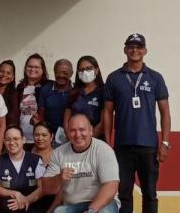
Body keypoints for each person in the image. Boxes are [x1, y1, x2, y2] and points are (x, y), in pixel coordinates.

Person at [102, 33, 171, 213]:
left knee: (150, 193)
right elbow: (107, 112)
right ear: (125, 50)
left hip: (148, 146)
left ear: (145, 51)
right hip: (122, 147)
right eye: (131, 47)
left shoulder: (155, 78)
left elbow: (165, 112)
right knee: (124, 193)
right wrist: (108, 143)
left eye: (139, 47)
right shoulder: (113, 78)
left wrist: (164, 142)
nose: (135, 50)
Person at [42, 114, 119, 213]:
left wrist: (91, 210)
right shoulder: (59, 153)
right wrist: (58, 178)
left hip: (103, 203)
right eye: (73, 130)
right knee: (59, 211)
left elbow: (111, 185)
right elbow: (46, 188)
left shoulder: (103, 150)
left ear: (91, 130)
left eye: (82, 129)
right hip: (72, 205)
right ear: (68, 133)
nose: (78, 134)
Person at [0, 126, 46, 213]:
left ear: (23, 140)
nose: (11, 142)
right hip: (9, 204)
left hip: (32, 202)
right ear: (4, 142)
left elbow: (42, 187)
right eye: (8, 140)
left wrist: (26, 200)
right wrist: (16, 194)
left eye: (16, 139)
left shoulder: (36, 160)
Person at [63, 56, 105, 139]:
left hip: (95, 140)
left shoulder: (103, 92)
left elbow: (103, 122)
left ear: (96, 70)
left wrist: (87, 140)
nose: (85, 72)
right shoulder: (73, 92)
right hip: (74, 139)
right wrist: (72, 138)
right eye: (81, 69)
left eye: (89, 68)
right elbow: (66, 121)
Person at [14, 54, 49, 150]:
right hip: (22, 139)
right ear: (25, 68)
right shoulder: (20, 88)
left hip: (41, 140)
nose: (32, 69)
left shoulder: (48, 87)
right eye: (30, 66)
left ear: (42, 70)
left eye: (36, 67)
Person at [38, 59, 73, 145]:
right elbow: (41, 114)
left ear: (71, 73)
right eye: (58, 72)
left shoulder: (76, 90)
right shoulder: (45, 89)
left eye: (65, 73)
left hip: (72, 136)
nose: (61, 75)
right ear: (54, 71)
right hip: (51, 137)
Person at [0, 60, 18, 127]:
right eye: (2, 71)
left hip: (6, 132)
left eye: (8, 73)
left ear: (12, 78)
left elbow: (13, 119)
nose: (4, 75)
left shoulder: (14, 94)